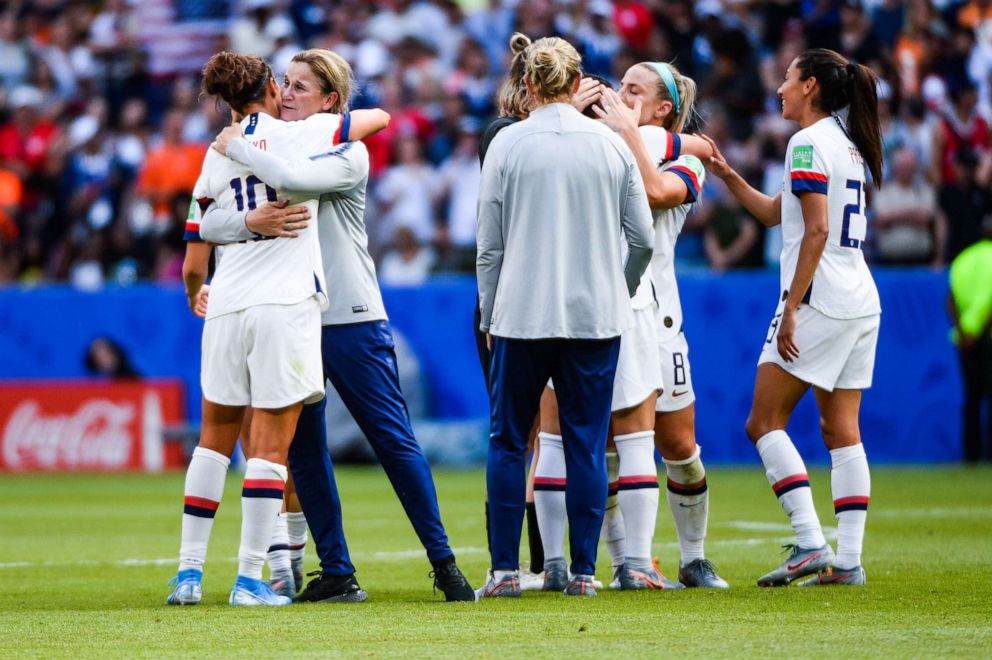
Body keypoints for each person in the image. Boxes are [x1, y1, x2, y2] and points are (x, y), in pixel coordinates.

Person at [201, 49, 476, 602]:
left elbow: (296, 179)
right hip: (291, 314)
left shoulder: (347, 152)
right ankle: (337, 571)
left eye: (303, 86)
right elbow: (211, 217)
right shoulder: (270, 143)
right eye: (287, 82)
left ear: (331, 101)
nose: (289, 92)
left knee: (392, 440)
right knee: (304, 448)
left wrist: (238, 145)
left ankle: (445, 564)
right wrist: (247, 218)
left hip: (351, 316)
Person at [165, 50, 350, 607]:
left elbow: (198, 236)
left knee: (212, 442)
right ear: (272, 85)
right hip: (282, 304)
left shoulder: (215, 153)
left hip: (225, 304)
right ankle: (251, 579)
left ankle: (189, 575)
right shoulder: (304, 131)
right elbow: (377, 120)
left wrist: (240, 223)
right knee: (270, 447)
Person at [476, 36, 654, 598]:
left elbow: (489, 246)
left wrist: (489, 309)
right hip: (593, 319)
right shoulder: (612, 146)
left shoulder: (508, 144)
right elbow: (642, 239)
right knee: (585, 444)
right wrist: (617, 291)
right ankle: (583, 574)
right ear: (579, 83)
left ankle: (506, 572)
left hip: (521, 316)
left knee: (509, 442)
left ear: (528, 85)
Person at [703, 48, 883, 587]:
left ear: (809, 86)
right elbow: (777, 214)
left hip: (819, 301)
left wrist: (791, 308)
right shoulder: (846, 147)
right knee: (840, 429)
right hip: (861, 301)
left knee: (763, 422)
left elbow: (818, 231)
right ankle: (847, 561)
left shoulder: (805, 142)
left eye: (787, 78)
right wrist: (728, 174)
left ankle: (809, 542)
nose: (779, 87)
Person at [588, 61, 730, 589]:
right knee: (607, 445)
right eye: (618, 85)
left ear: (664, 107)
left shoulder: (677, 160)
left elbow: (655, 191)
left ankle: (693, 557)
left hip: (659, 317)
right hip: (602, 311)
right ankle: (628, 560)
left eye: (633, 89)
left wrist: (637, 133)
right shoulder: (608, 143)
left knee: (680, 447)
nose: (618, 94)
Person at [947, 213, 992, 462]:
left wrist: (963, 331)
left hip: (964, 340)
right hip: (986, 339)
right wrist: (979, 331)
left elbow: (950, 299)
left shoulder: (964, 259)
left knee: (971, 398)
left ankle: (971, 455)